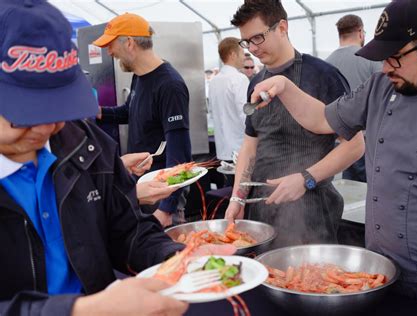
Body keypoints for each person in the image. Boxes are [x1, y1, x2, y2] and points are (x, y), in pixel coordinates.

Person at [0, 1, 234, 315]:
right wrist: (80, 311)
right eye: (23, 113)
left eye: (57, 107)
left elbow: (127, 229)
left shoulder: (87, 145)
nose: (46, 127)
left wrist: (175, 256)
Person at [246, 0, 417, 312]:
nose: (385, 68)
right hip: (376, 274)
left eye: (394, 58)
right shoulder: (380, 87)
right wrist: (285, 86)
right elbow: (322, 119)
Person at [224, 0, 365, 247]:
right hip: (262, 207)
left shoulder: (323, 75)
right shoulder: (255, 82)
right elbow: (250, 146)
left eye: (258, 38)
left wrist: (306, 178)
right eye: (246, 42)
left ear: (282, 28)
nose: (252, 49)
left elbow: (355, 146)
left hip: (312, 208)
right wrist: (237, 197)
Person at [93, 13, 191, 227]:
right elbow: (129, 111)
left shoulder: (169, 85)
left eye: (111, 45)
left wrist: (167, 208)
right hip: (140, 184)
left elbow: (180, 152)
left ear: (129, 43)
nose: (109, 52)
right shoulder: (140, 76)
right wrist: (98, 111)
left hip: (161, 193)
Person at [326, 14, 383, 183]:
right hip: (369, 140)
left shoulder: (326, 63)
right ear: (360, 32)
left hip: (339, 141)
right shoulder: (372, 59)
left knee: (349, 188)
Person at [208, 37, 249, 162]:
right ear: (232, 54)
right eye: (242, 53)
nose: (244, 57)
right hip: (241, 149)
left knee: (229, 181)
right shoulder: (239, 79)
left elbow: (212, 112)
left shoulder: (214, 81)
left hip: (222, 150)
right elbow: (246, 114)